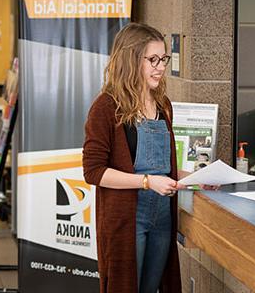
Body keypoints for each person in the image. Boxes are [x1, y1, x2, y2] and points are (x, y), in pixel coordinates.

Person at [83, 23, 215, 293]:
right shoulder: (106, 107)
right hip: (129, 217)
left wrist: (195, 179)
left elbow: (163, 168)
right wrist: (146, 182)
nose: (161, 66)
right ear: (131, 59)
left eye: (163, 59)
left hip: (163, 216)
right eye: (152, 59)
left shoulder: (163, 104)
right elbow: (94, 172)